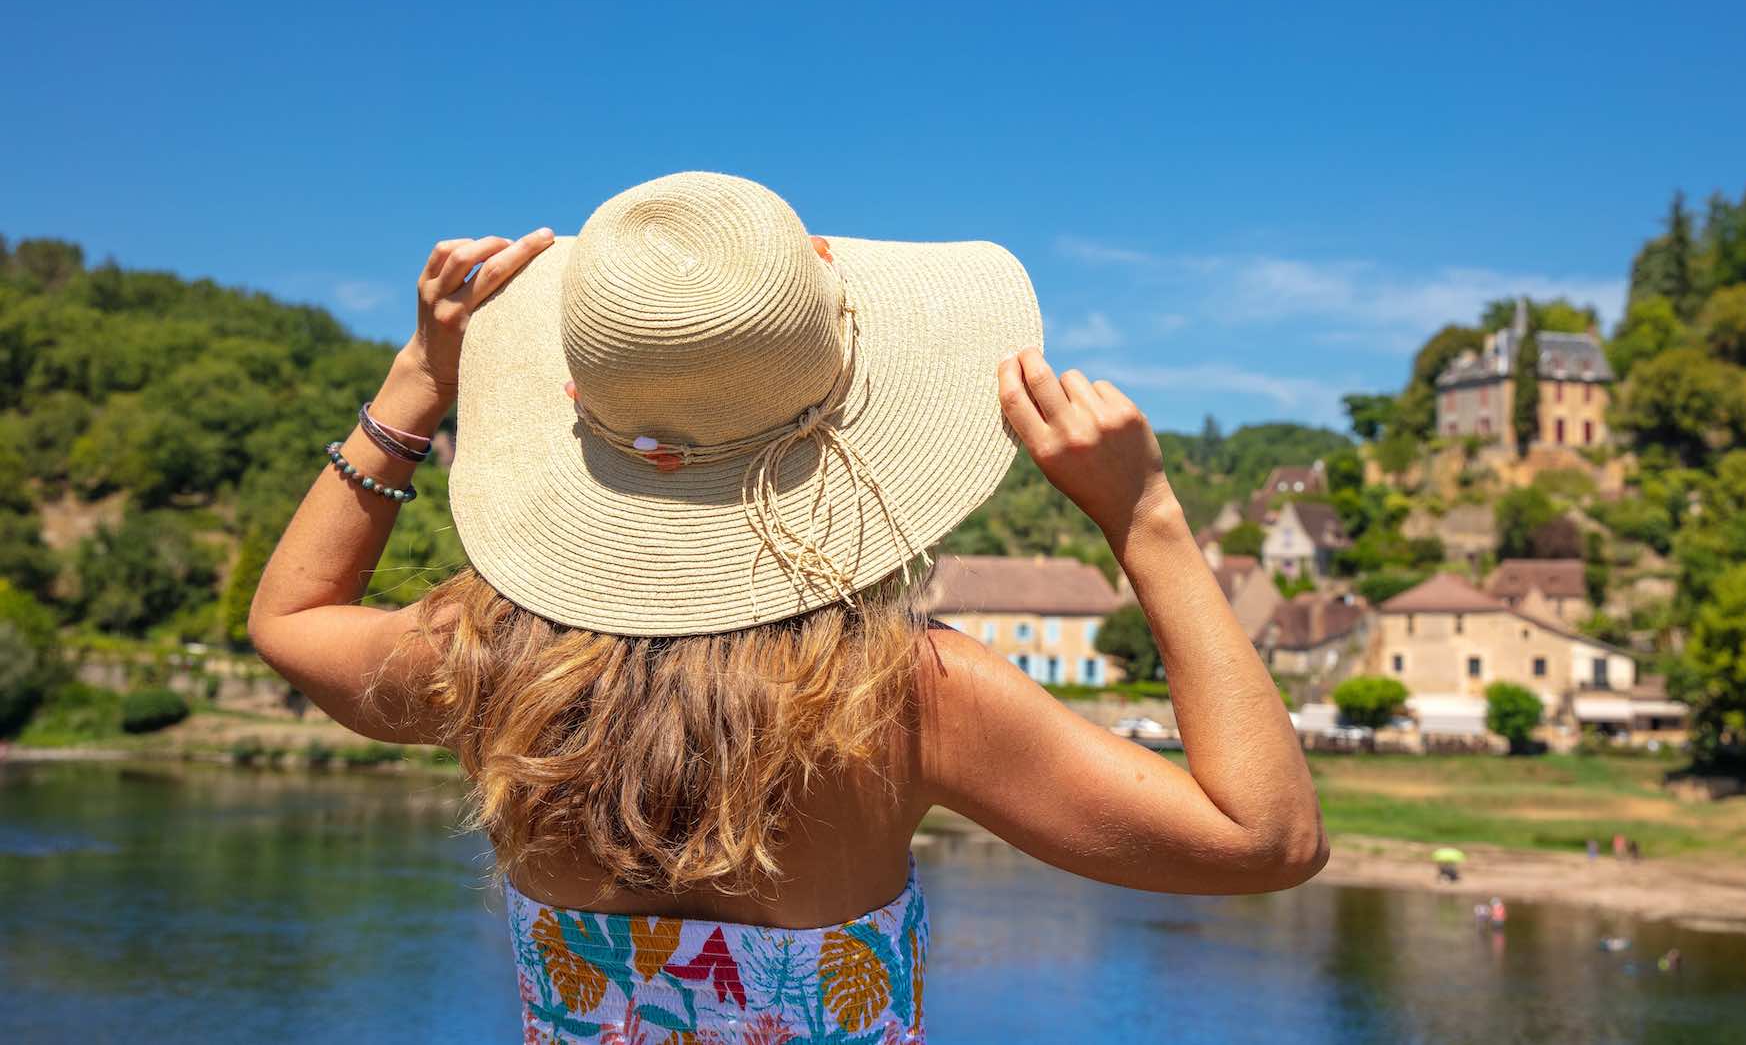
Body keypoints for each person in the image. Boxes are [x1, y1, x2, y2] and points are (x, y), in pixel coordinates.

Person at [247, 172, 1329, 1043]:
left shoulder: (494, 661)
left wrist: (415, 383)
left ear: (578, 399)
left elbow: (290, 622)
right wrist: (1143, 517)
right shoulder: (902, 695)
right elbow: (1265, 839)